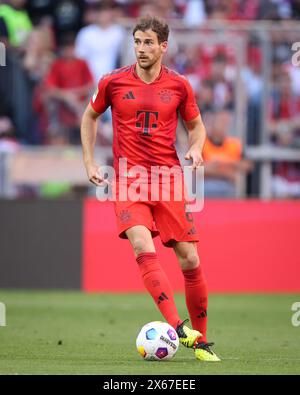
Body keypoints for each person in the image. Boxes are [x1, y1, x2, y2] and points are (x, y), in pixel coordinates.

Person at [80, 16, 220, 362]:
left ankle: (201, 339)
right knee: (141, 243)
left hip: (168, 178)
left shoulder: (180, 86)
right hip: (129, 178)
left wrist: (196, 147)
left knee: (189, 257)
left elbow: (197, 127)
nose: (141, 49)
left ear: (163, 47)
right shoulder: (112, 82)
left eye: (148, 43)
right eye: (137, 42)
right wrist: (89, 163)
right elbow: (89, 117)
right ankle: (179, 327)